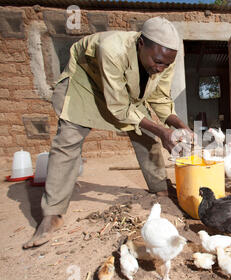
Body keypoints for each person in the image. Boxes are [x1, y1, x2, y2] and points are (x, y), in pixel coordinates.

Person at [23, 17, 192, 249]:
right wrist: (162, 131)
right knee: (68, 140)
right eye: (158, 61)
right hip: (85, 83)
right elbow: (120, 108)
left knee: (148, 135)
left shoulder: (164, 60)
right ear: (141, 43)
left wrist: (180, 126)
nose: (160, 68)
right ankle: (52, 214)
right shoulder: (112, 49)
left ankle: (159, 187)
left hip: (121, 91)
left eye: (166, 64)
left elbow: (160, 98)